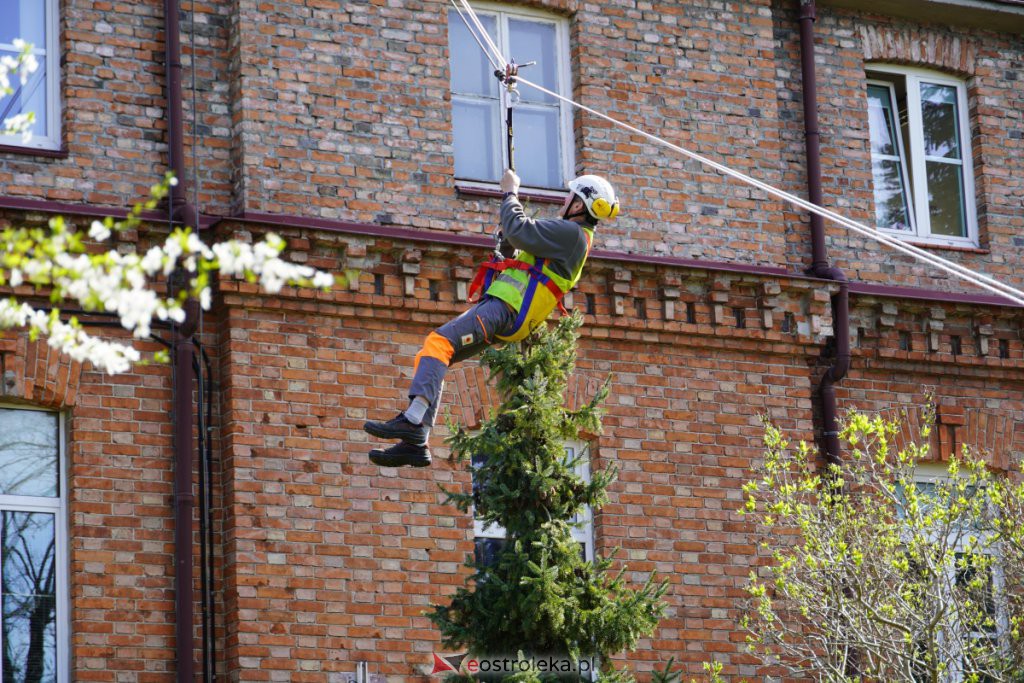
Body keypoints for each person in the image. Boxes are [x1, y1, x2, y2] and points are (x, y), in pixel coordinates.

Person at [364, 168, 619, 467]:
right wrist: (507, 245)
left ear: (579, 205)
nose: (564, 200)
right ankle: (416, 441)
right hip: (509, 313)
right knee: (436, 353)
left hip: (506, 309)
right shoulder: (572, 239)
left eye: (570, 196)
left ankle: (412, 420)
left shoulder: (572, 233)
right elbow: (524, 246)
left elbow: (520, 229)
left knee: (438, 342)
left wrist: (510, 191)